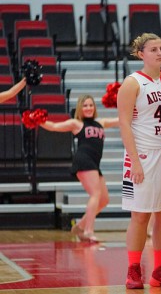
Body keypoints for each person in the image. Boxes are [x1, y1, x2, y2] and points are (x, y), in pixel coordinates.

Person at [117, 33, 161, 290]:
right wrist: (134, 161)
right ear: (141, 54)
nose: (159, 53)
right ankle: (133, 270)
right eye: (153, 49)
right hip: (142, 154)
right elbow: (124, 124)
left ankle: (160, 269)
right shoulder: (132, 83)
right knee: (140, 216)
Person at [39, 94, 118, 242]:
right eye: (85, 105)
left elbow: (121, 120)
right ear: (80, 108)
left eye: (90, 105)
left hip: (94, 164)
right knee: (95, 194)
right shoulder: (76, 124)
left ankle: (80, 226)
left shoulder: (101, 122)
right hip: (84, 161)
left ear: (94, 107)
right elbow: (54, 127)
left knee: (104, 200)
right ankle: (88, 231)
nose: (88, 108)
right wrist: (38, 120)